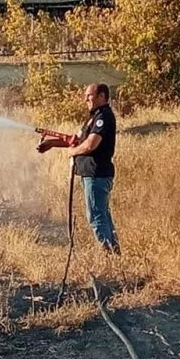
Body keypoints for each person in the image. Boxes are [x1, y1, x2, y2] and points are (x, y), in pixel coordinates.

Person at [37, 82, 120, 254]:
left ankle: (109, 256)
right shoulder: (93, 117)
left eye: (89, 95)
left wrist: (72, 152)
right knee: (103, 215)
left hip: (96, 175)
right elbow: (76, 139)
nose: (85, 99)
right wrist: (51, 143)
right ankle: (115, 255)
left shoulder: (103, 117)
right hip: (93, 175)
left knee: (96, 217)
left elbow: (90, 144)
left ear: (101, 96)